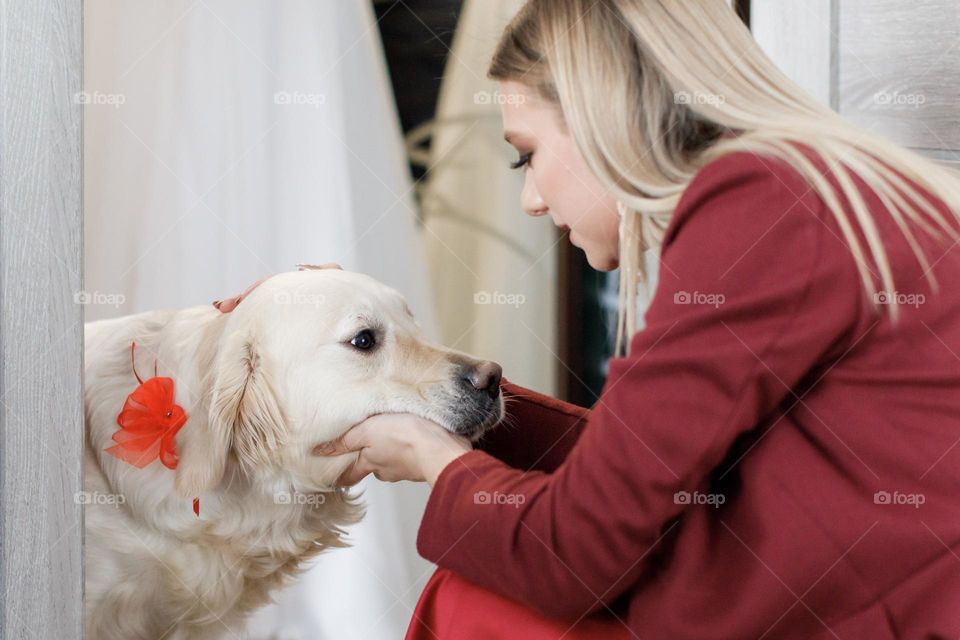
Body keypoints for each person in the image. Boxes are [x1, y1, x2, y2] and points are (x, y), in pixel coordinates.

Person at [217, 1, 960, 637]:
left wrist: (432, 459)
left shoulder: (755, 206)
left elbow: (573, 553)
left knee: (478, 597)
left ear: (607, 114)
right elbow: (638, 477)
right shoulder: (799, 187)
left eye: (527, 156)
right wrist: (446, 410)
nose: (532, 201)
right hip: (857, 585)